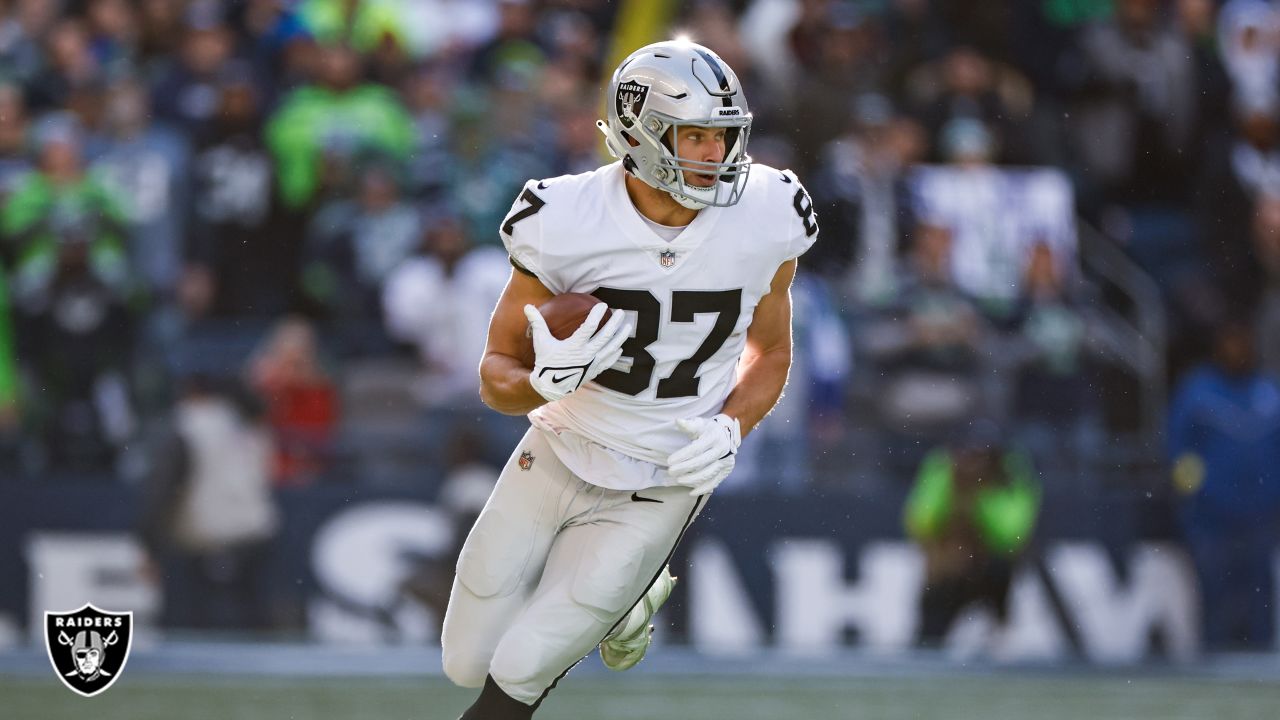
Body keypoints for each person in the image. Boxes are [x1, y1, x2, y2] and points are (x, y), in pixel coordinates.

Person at [442, 40, 817, 719]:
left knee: (521, 668)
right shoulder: (564, 218)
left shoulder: (766, 211)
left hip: (665, 470)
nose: (716, 154)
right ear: (640, 131)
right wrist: (543, 382)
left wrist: (732, 423)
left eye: (724, 135)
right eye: (695, 135)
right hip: (560, 443)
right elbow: (496, 376)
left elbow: (771, 352)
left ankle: (628, 587)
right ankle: (632, 597)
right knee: (464, 658)